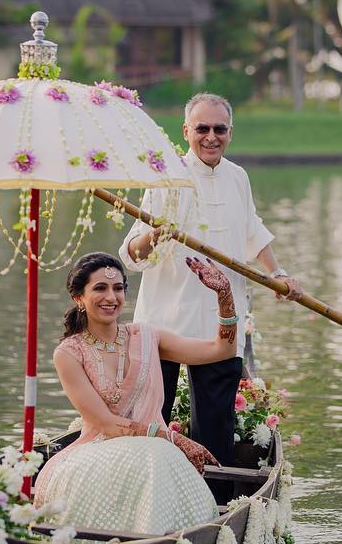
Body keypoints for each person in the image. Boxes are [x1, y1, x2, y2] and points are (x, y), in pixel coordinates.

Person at [119, 92, 303, 481]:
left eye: (219, 129)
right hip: (165, 317)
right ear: (186, 131)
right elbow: (132, 255)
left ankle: (214, 502)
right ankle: (148, 488)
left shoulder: (238, 177)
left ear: (230, 133)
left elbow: (252, 230)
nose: (210, 137)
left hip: (222, 321)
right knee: (152, 420)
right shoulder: (166, 178)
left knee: (216, 430)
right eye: (201, 128)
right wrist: (155, 233)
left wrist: (278, 274)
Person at [34, 251, 238, 535]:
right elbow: (106, 423)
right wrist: (174, 438)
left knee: (157, 455)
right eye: (100, 288)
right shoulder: (69, 353)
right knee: (157, 454)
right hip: (98, 450)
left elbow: (222, 350)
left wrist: (225, 296)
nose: (111, 297)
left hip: (155, 453)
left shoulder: (146, 337)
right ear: (79, 298)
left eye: (118, 288)